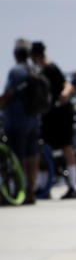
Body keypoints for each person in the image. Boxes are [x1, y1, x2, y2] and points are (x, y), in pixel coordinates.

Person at [30, 41, 76, 199]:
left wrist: (64, 95)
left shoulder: (50, 68)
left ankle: (73, 186)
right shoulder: (42, 71)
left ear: (35, 56)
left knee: (66, 147)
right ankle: (44, 186)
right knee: (44, 148)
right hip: (49, 114)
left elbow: (67, 84)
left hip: (61, 112)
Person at [0, 39, 41, 204]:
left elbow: (8, 93)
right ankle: (30, 193)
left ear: (15, 54)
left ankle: (19, 191)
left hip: (16, 121)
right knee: (33, 157)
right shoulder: (33, 70)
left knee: (18, 158)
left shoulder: (16, 71)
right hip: (34, 120)